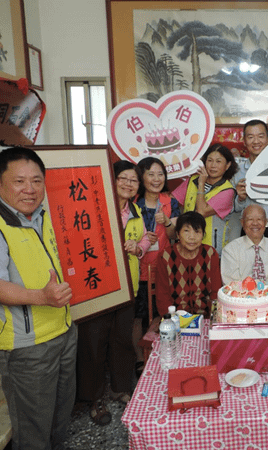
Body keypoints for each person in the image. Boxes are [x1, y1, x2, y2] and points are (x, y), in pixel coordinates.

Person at [0, 146, 77, 449]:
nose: (30, 189)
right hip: (26, 348)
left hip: (62, 331)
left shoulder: (41, 216)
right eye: (19, 181)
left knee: (60, 417)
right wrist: (42, 296)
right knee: (32, 428)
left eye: (37, 181)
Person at [76, 160, 150, 426]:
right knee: (94, 344)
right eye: (124, 179)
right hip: (97, 288)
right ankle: (93, 398)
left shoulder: (136, 211)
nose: (129, 184)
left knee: (121, 340)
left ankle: (120, 388)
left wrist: (138, 247)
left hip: (127, 287)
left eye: (134, 180)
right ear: (112, 180)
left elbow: (143, 240)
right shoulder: (94, 208)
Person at [133, 157, 179, 376]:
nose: (156, 179)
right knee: (138, 316)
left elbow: (175, 235)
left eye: (160, 174)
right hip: (136, 267)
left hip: (163, 268)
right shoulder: (132, 201)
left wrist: (167, 222)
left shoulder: (171, 201)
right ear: (141, 176)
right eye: (150, 174)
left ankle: (163, 354)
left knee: (163, 313)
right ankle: (139, 360)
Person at [155, 211, 222, 324]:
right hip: (176, 320)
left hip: (205, 319)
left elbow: (216, 293)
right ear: (177, 234)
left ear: (203, 234)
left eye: (197, 231)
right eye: (186, 231)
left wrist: (213, 319)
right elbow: (163, 297)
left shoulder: (210, 254)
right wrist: (173, 321)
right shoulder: (165, 257)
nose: (192, 237)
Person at [172, 143, 237, 256]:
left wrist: (201, 183)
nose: (213, 165)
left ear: (227, 165)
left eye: (218, 161)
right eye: (209, 160)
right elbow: (171, 200)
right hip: (185, 244)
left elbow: (201, 212)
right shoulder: (192, 180)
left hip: (210, 249)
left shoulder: (227, 191)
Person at [233, 119, 268, 249]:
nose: (256, 141)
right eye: (251, 137)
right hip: (249, 230)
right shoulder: (238, 171)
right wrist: (240, 198)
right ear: (244, 141)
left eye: (260, 136)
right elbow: (233, 208)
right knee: (248, 269)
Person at [221, 204, 268, 285]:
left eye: (259, 219)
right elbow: (232, 285)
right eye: (250, 219)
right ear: (242, 222)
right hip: (242, 296)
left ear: (265, 222)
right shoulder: (230, 250)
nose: (255, 223)